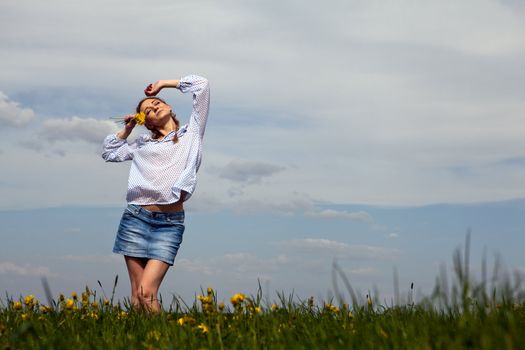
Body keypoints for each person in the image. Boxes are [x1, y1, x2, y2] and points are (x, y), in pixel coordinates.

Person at [102, 74, 210, 312]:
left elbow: (201, 86)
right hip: (135, 218)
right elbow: (109, 152)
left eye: (157, 103)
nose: (153, 107)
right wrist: (127, 129)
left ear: (169, 107)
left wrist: (163, 84)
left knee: (146, 291)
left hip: (169, 223)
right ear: (147, 123)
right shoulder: (142, 144)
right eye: (148, 110)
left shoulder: (191, 134)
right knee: (136, 296)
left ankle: (166, 340)